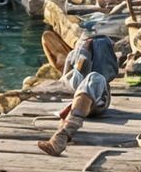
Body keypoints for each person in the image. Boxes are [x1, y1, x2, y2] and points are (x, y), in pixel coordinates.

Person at [37, 22, 120, 157]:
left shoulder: (102, 45)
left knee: (95, 78)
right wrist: (82, 55)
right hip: (76, 104)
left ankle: (62, 136)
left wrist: (87, 54)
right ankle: (60, 138)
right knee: (88, 80)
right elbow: (70, 85)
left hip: (97, 102)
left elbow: (107, 75)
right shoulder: (73, 56)